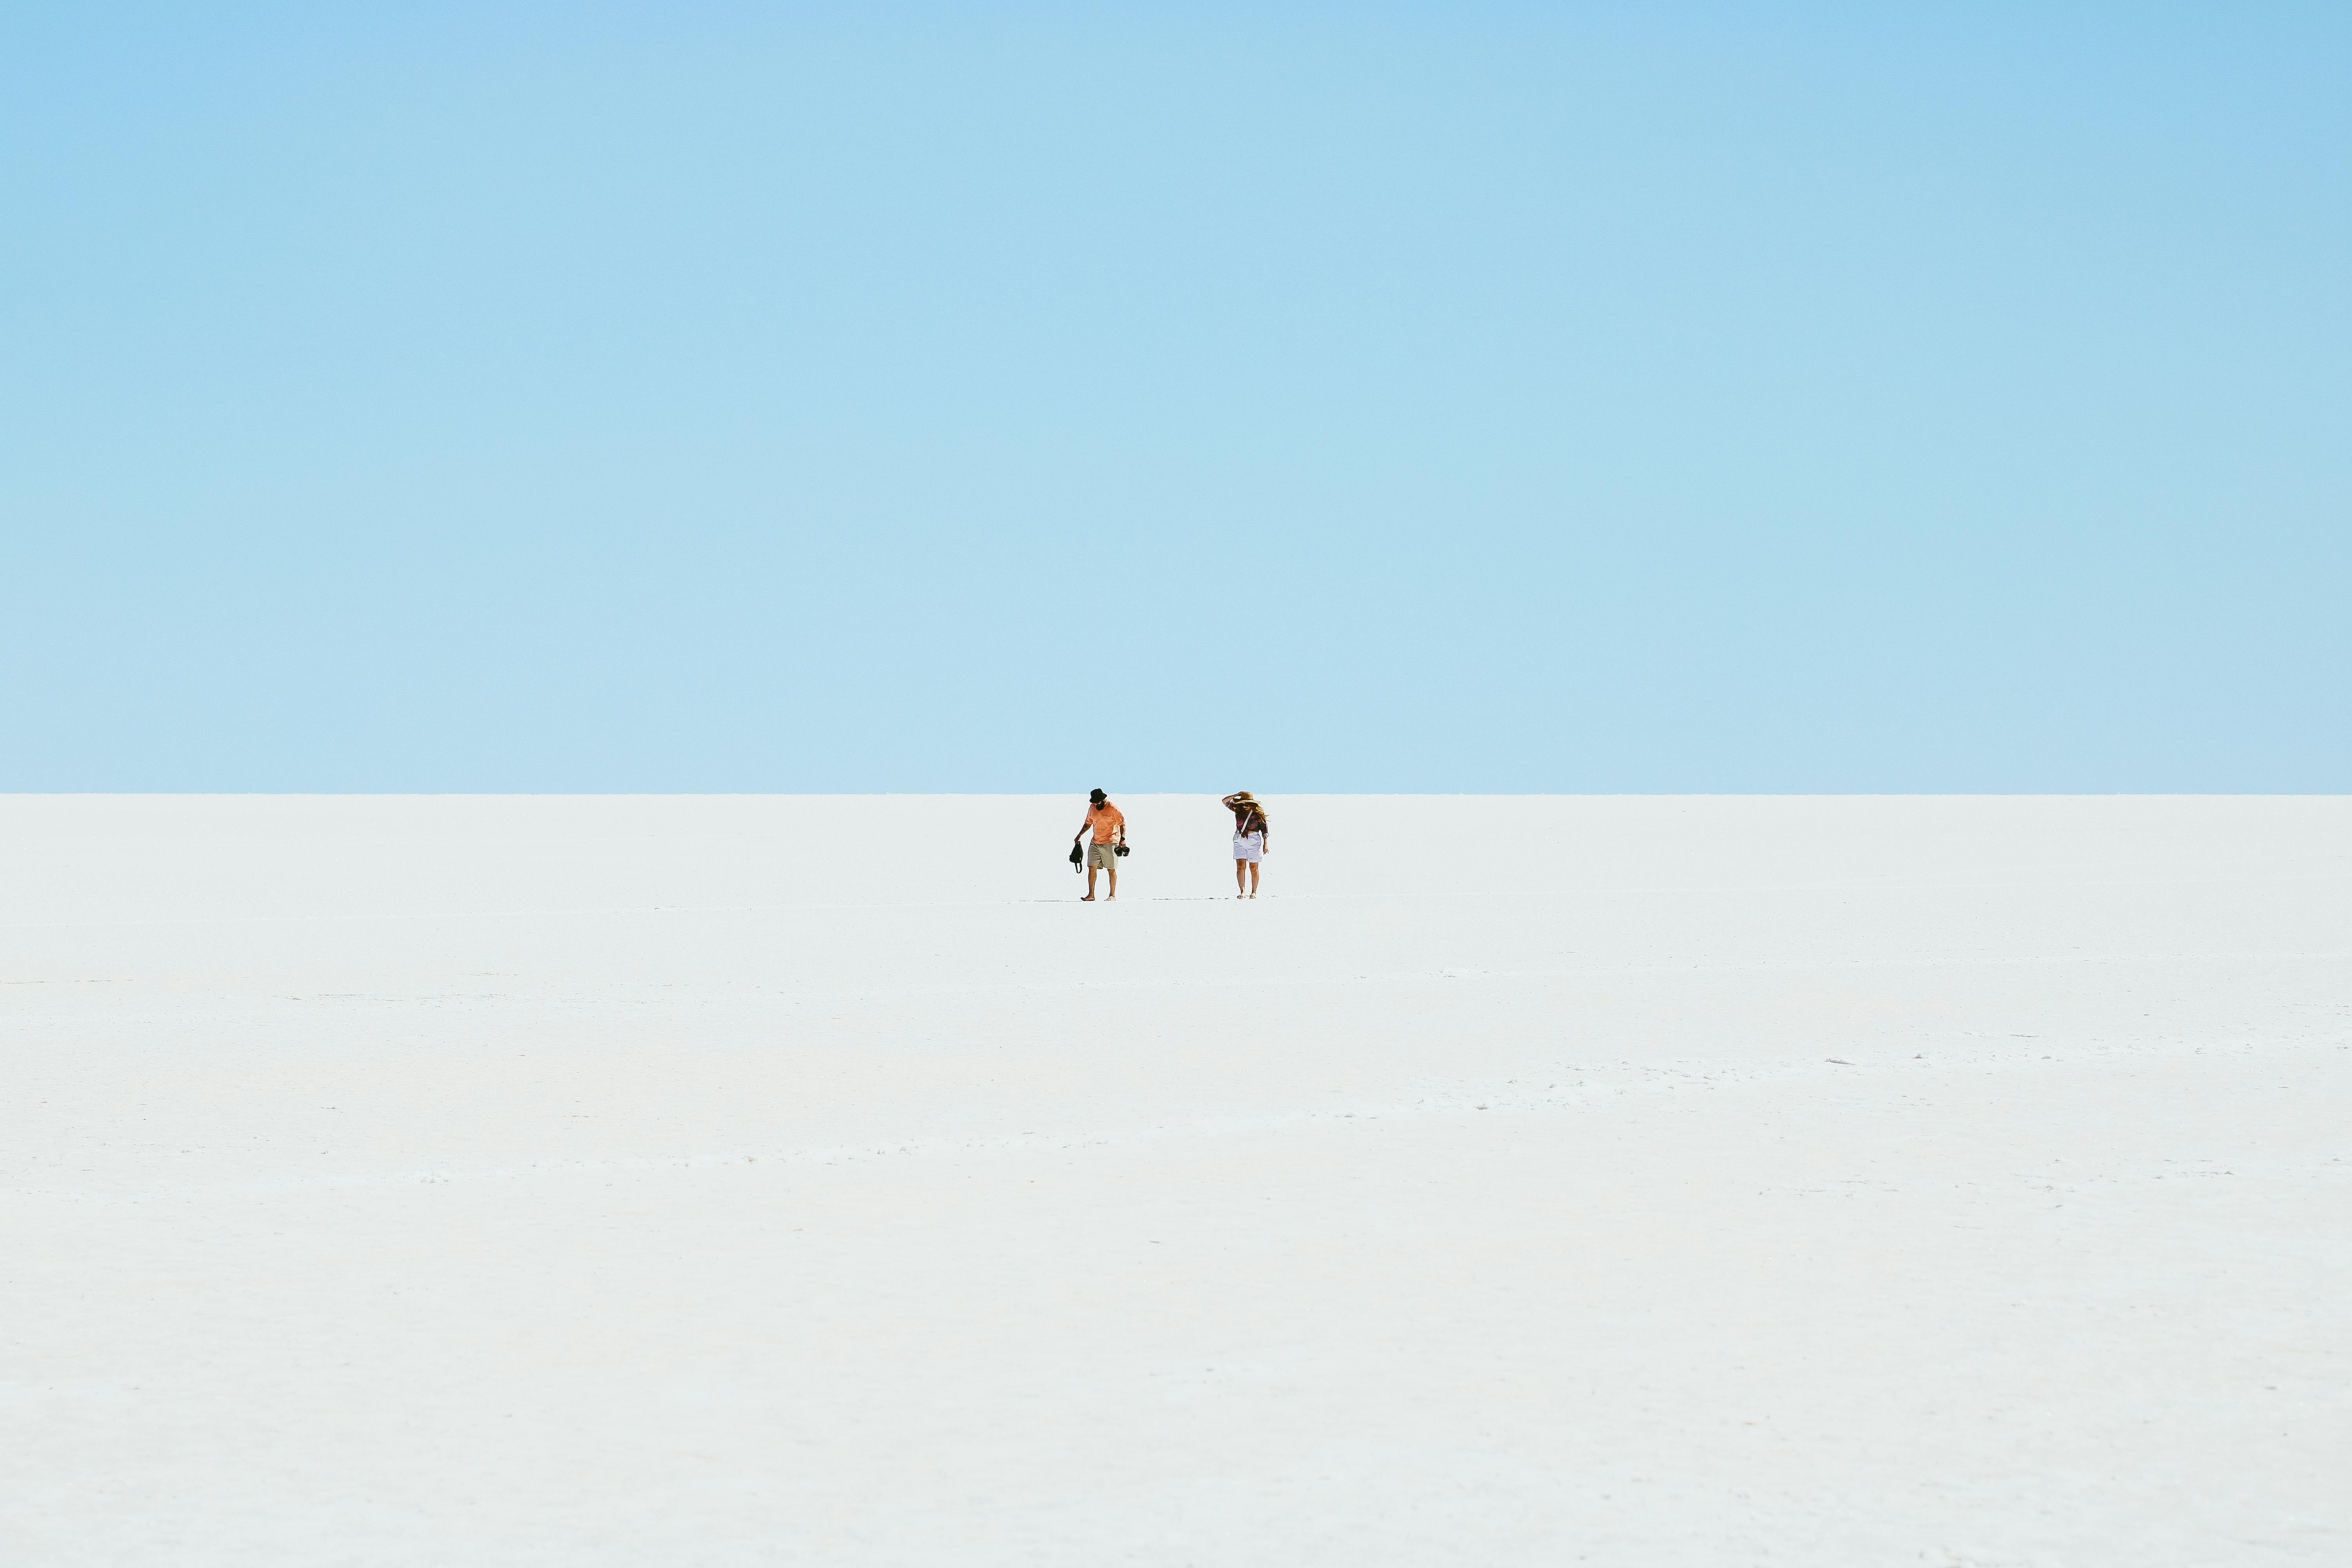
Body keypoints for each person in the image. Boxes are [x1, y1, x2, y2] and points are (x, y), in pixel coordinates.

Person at [1073, 788, 1126, 901]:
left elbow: (1122, 824)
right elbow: (1088, 823)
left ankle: (1112, 895)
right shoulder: (1093, 808)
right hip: (1096, 842)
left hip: (1111, 842)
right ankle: (1091, 895)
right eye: (1094, 801)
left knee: (1111, 869)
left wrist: (1123, 838)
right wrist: (1080, 835)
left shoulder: (1113, 808)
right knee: (1092, 867)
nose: (1096, 803)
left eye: (1097, 801)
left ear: (1103, 799)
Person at [1223, 791, 1268, 898]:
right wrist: (1237, 795)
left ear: (1252, 804)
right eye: (1243, 803)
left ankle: (1254, 892)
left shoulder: (1258, 814)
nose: (1245, 806)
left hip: (1254, 840)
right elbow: (1225, 801)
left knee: (1254, 867)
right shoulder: (1238, 810)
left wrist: (1265, 844)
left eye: (1247, 804)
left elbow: (1265, 830)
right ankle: (1242, 892)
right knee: (1241, 867)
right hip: (1240, 839)